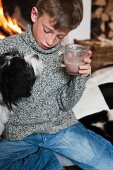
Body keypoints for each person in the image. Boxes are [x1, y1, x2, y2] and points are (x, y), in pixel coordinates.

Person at [0, 0, 113, 170]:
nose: (51, 40)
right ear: (34, 15)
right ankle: (50, 158)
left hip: (59, 129)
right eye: (47, 30)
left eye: (60, 36)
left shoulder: (66, 55)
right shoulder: (6, 47)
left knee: (107, 163)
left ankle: (53, 155)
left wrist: (80, 78)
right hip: (19, 135)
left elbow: (66, 103)